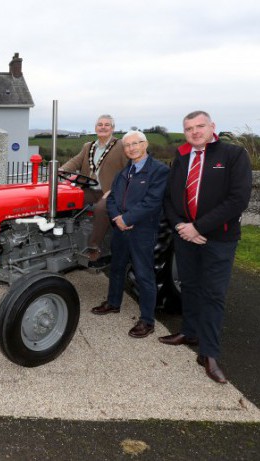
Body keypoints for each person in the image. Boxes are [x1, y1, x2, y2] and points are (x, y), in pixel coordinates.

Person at [160, 110, 252, 384]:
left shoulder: (233, 156)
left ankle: (208, 353)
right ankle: (189, 332)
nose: (195, 131)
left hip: (219, 239)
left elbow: (238, 199)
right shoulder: (181, 157)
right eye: (189, 128)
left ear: (213, 127)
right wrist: (181, 227)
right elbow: (169, 199)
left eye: (200, 126)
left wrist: (198, 227)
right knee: (189, 285)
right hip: (185, 236)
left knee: (213, 294)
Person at [91, 131, 169, 338]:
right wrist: (118, 217)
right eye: (127, 145)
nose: (132, 148)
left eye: (136, 143)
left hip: (142, 229)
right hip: (121, 228)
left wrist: (128, 219)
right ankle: (113, 303)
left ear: (146, 144)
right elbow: (113, 198)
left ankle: (147, 321)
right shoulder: (124, 173)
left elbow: (152, 202)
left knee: (144, 274)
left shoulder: (159, 171)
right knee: (116, 267)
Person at [60, 114, 128, 262]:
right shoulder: (88, 146)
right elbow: (75, 161)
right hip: (89, 189)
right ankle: (65, 239)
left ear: (112, 128)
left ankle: (94, 246)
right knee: (64, 200)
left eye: (106, 125)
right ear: (95, 127)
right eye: (100, 124)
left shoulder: (121, 145)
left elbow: (128, 170)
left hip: (110, 191)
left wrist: (117, 189)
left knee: (100, 209)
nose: (103, 127)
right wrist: (61, 169)